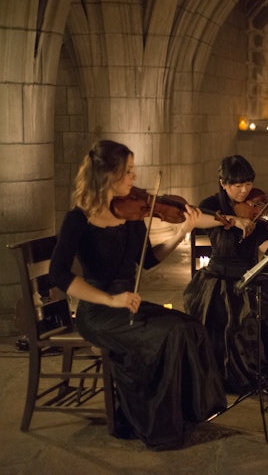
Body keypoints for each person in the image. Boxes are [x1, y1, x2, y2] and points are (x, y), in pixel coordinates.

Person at [49, 140, 243, 450]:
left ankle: (187, 414)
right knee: (168, 334)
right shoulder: (79, 218)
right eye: (128, 172)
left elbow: (149, 260)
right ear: (108, 175)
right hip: (98, 312)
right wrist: (111, 300)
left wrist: (182, 232)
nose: (134, 178)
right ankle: (158, 424)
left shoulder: (133, 214)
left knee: (189, 327)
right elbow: (58, 274)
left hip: (128, 304)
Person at [183, 154, 268, 394]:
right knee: (240, 320)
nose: (244, 190)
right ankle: (236, 377)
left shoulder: (256, 209)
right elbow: (197, 220)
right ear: (223, 183)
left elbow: (264, 246)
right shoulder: (210, 204)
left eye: (248, 184)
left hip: (250, 275)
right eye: (238, 185)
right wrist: (232, 220)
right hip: (218, 278)